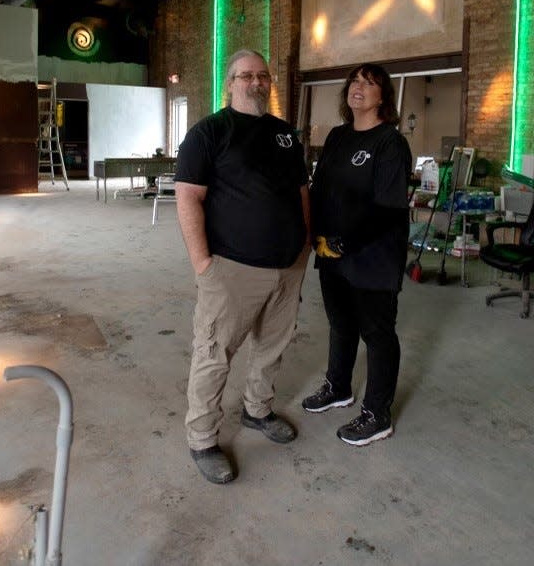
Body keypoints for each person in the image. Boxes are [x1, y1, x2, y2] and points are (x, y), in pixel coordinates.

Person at [173, 49, 311, 484]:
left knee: (272, 348)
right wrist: (203, 265)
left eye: (262, 75)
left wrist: (304, 246)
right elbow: (188, 198)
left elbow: (302, 192)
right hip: (232, 269)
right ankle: (202, 438)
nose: (256, 82)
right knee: (214, 355)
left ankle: (257, 410)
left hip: (288, 266)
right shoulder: (210, 133)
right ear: (229, 83)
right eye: (245, 75)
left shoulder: (286, 135)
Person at [304, 63, 412, 446]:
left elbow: (388, 209)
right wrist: (312, 235)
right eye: (355, 81)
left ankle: (377, 414)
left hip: (373, 256)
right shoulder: (337, 136)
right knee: (340, 323)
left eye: (369, 83)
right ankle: (338, 387)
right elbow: (320, 191)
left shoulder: (390, 144)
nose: (358, 87)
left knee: (377, 333)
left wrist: (344, 242)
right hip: (330, 251)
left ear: (384, 97)